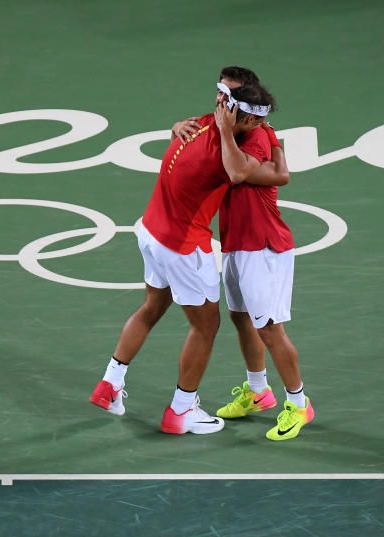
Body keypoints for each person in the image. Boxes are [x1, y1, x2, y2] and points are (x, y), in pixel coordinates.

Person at [89, 81, 275, 435]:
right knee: (205, 327)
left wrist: (209, 125)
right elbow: (241, 173)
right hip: (183, 247)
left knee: (151, 307)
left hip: (151, 232)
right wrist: (234, 135)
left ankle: (110, 384)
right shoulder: (225, 150)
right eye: (255, 123)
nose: (259, 130)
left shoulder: (198, 123)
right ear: (242, 119)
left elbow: (206, 122)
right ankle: (181, 410)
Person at [213, 84, 315, 441]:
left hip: (264, 249)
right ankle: (258, 392)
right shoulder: (242, 133)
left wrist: (225, 130)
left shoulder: (254, 140)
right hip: (237, 245)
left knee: (270, 329)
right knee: (241, 319)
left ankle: (299, 404)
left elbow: (238, 174)